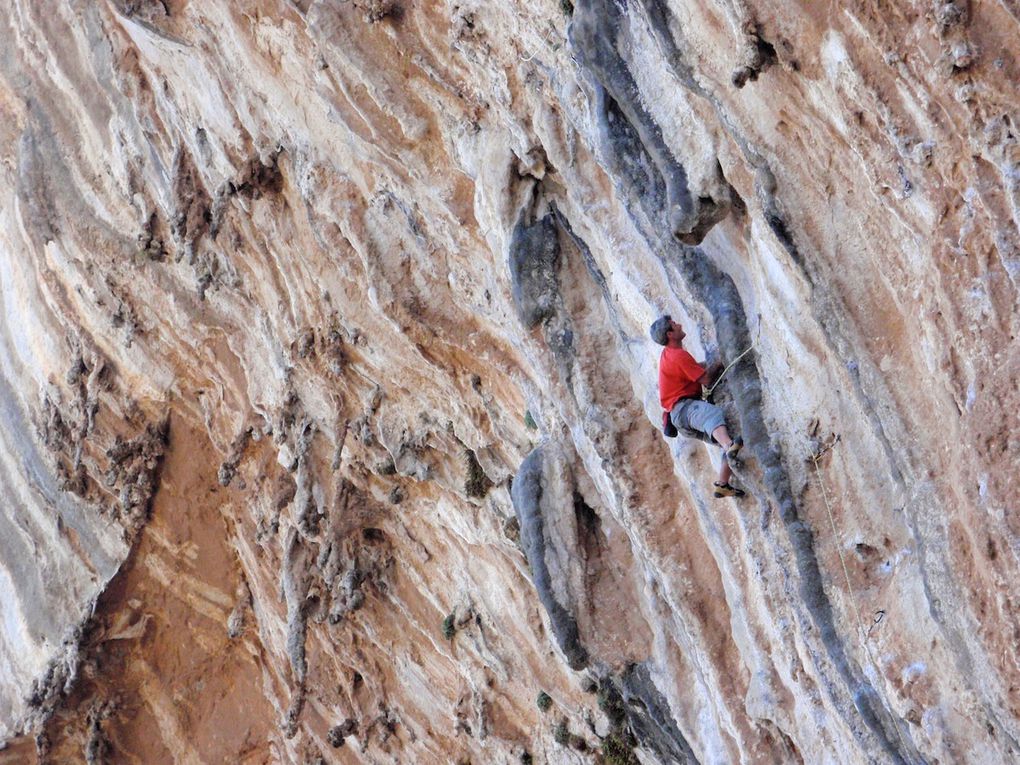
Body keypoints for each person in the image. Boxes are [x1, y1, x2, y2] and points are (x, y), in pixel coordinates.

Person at [650, 315, 745, 498]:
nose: (679, 324)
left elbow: (693, 371)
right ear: (670, 334)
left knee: (724, 435)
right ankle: (728, 445)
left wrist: (709, 365)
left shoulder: (671, 355)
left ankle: (723, 484)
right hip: (685, 410)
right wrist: (720, 361)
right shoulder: (677, 355)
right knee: (713, 416)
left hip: (682, 418)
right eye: (674, 324)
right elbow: (707, 379)